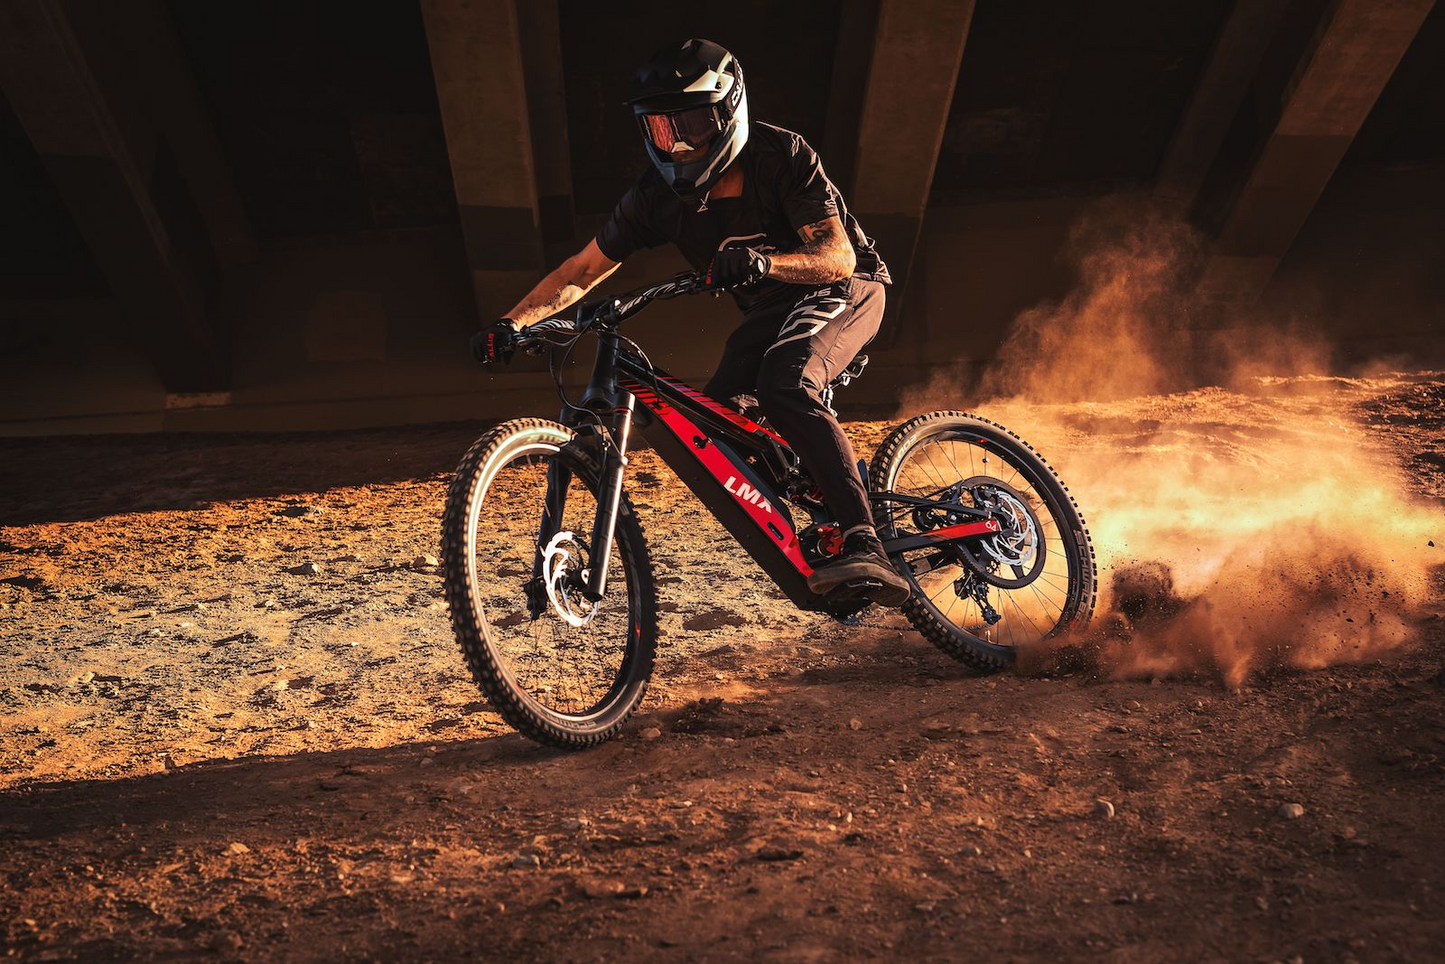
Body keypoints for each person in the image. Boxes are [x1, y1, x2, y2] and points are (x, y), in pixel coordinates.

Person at [472, 38, 910, 607]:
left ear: (728, 113)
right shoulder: (656, 198)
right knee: (719, 424)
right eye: (660, 129)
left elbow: (837, 256)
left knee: (785, 380)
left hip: (843, 289)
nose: (677, 142)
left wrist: (764, 262)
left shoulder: (781, 157)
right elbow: (581, 269)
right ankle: (823, 528)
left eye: (693, 124)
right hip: (770, 311)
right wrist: (511, 324)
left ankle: (864, 540)